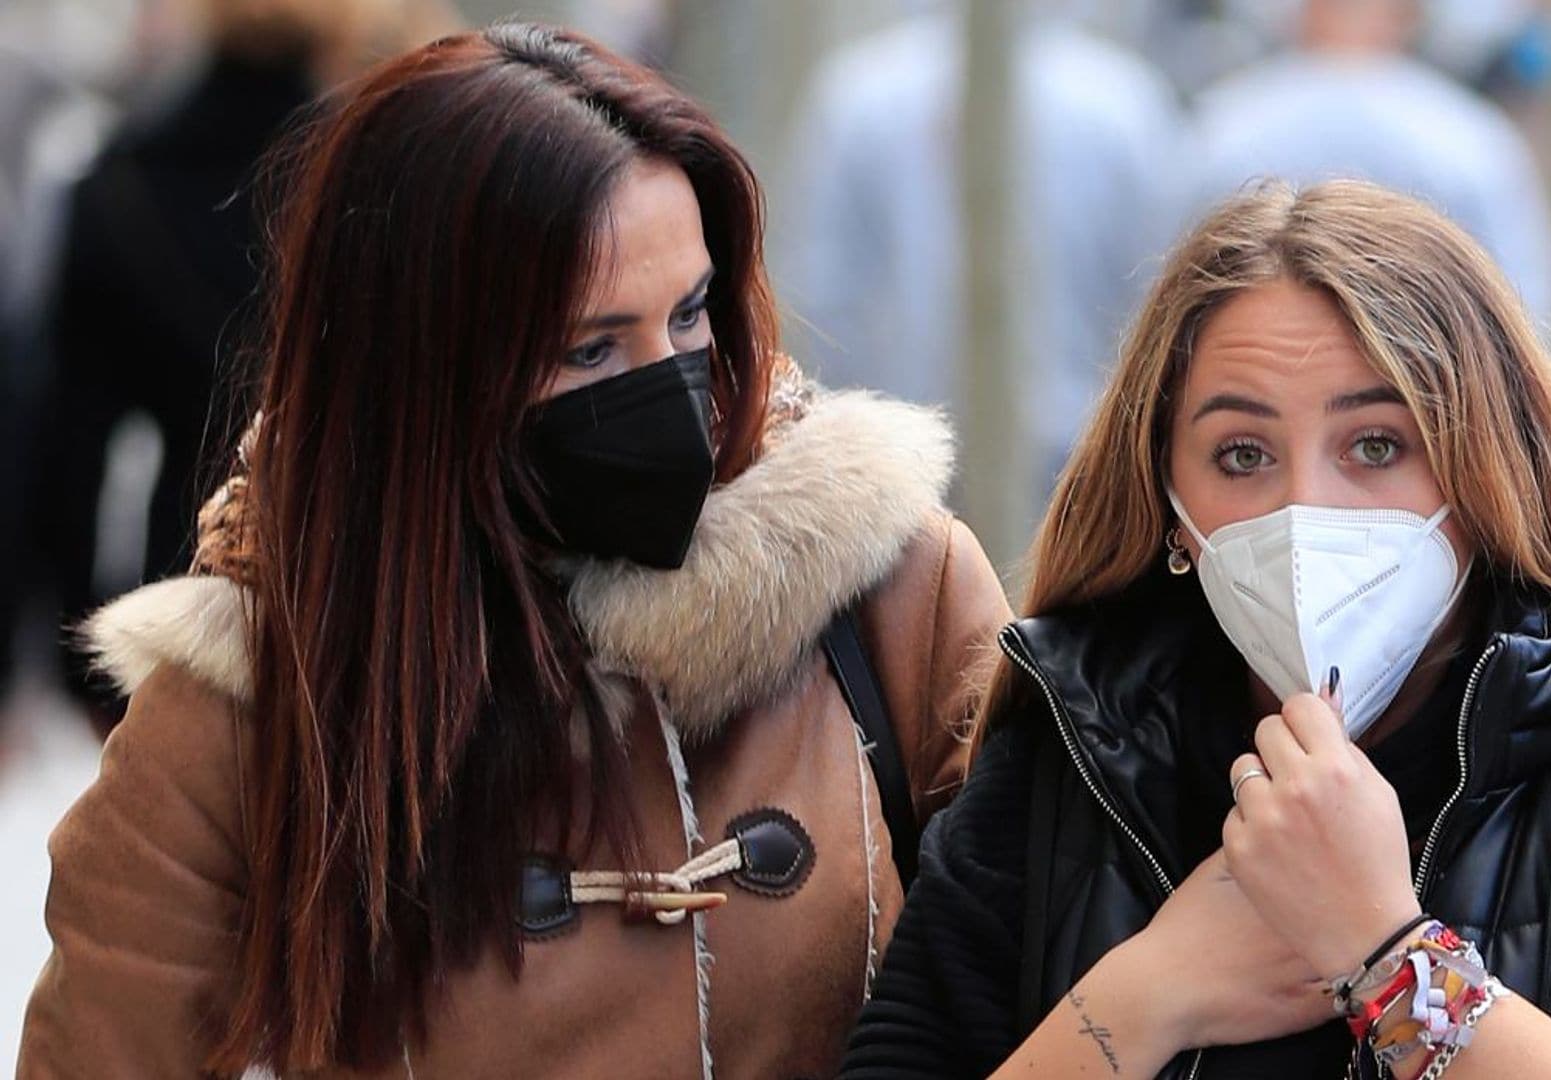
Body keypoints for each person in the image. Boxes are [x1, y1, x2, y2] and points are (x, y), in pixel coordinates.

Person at [19, 22, 1009, 1078]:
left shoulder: (891, 589)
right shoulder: (258, 699)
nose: (666, 383)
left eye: (687, 317)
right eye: (588, 348)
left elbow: (1052, 970)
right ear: (425, 369)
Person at [844, 181, 1551, 1079]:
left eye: (1377, 445)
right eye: (1243, 454)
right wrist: (1148, 997)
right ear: (1170, 504)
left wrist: (1389, 959)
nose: (1308, 511)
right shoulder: (1075, 740)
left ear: (1483, 469)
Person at [30, 0, 457, 728]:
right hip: (368, 587)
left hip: (182, 594)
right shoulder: (380, 173)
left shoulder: (118, 184)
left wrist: (85, 656)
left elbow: (69, 452)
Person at [778, 4, 1185, 500]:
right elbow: (1158, 304)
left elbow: (823, 305)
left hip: (945, 463)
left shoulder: (858, 96)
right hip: (1045, 465)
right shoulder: (1125, 103)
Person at [1193, 0, 1551, 320]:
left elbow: (1166, 289)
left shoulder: (1220, 127)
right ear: (1408, 14)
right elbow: (1526, 310)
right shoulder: (1471, 141)